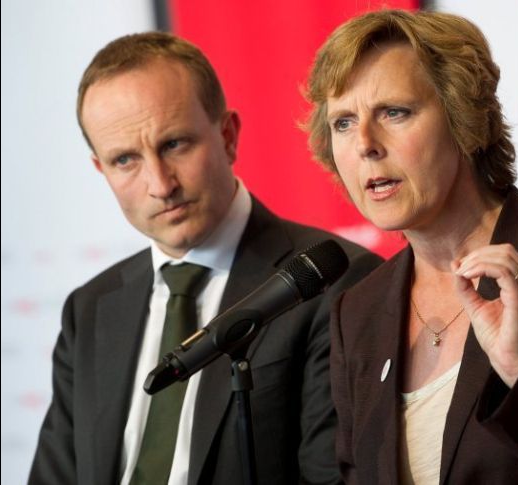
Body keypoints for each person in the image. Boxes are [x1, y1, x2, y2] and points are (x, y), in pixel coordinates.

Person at [304, 9, 518, 484]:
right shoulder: (357, 311)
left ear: (464, 118)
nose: (364, 143)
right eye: (342, 122)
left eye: (394, 112)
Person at [28, 31, 383, 485]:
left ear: (228, 135)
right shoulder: (90, 308)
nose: (160, 183)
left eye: (175, 144)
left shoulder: (333, 283)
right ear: (101, 169)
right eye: (125, 161)